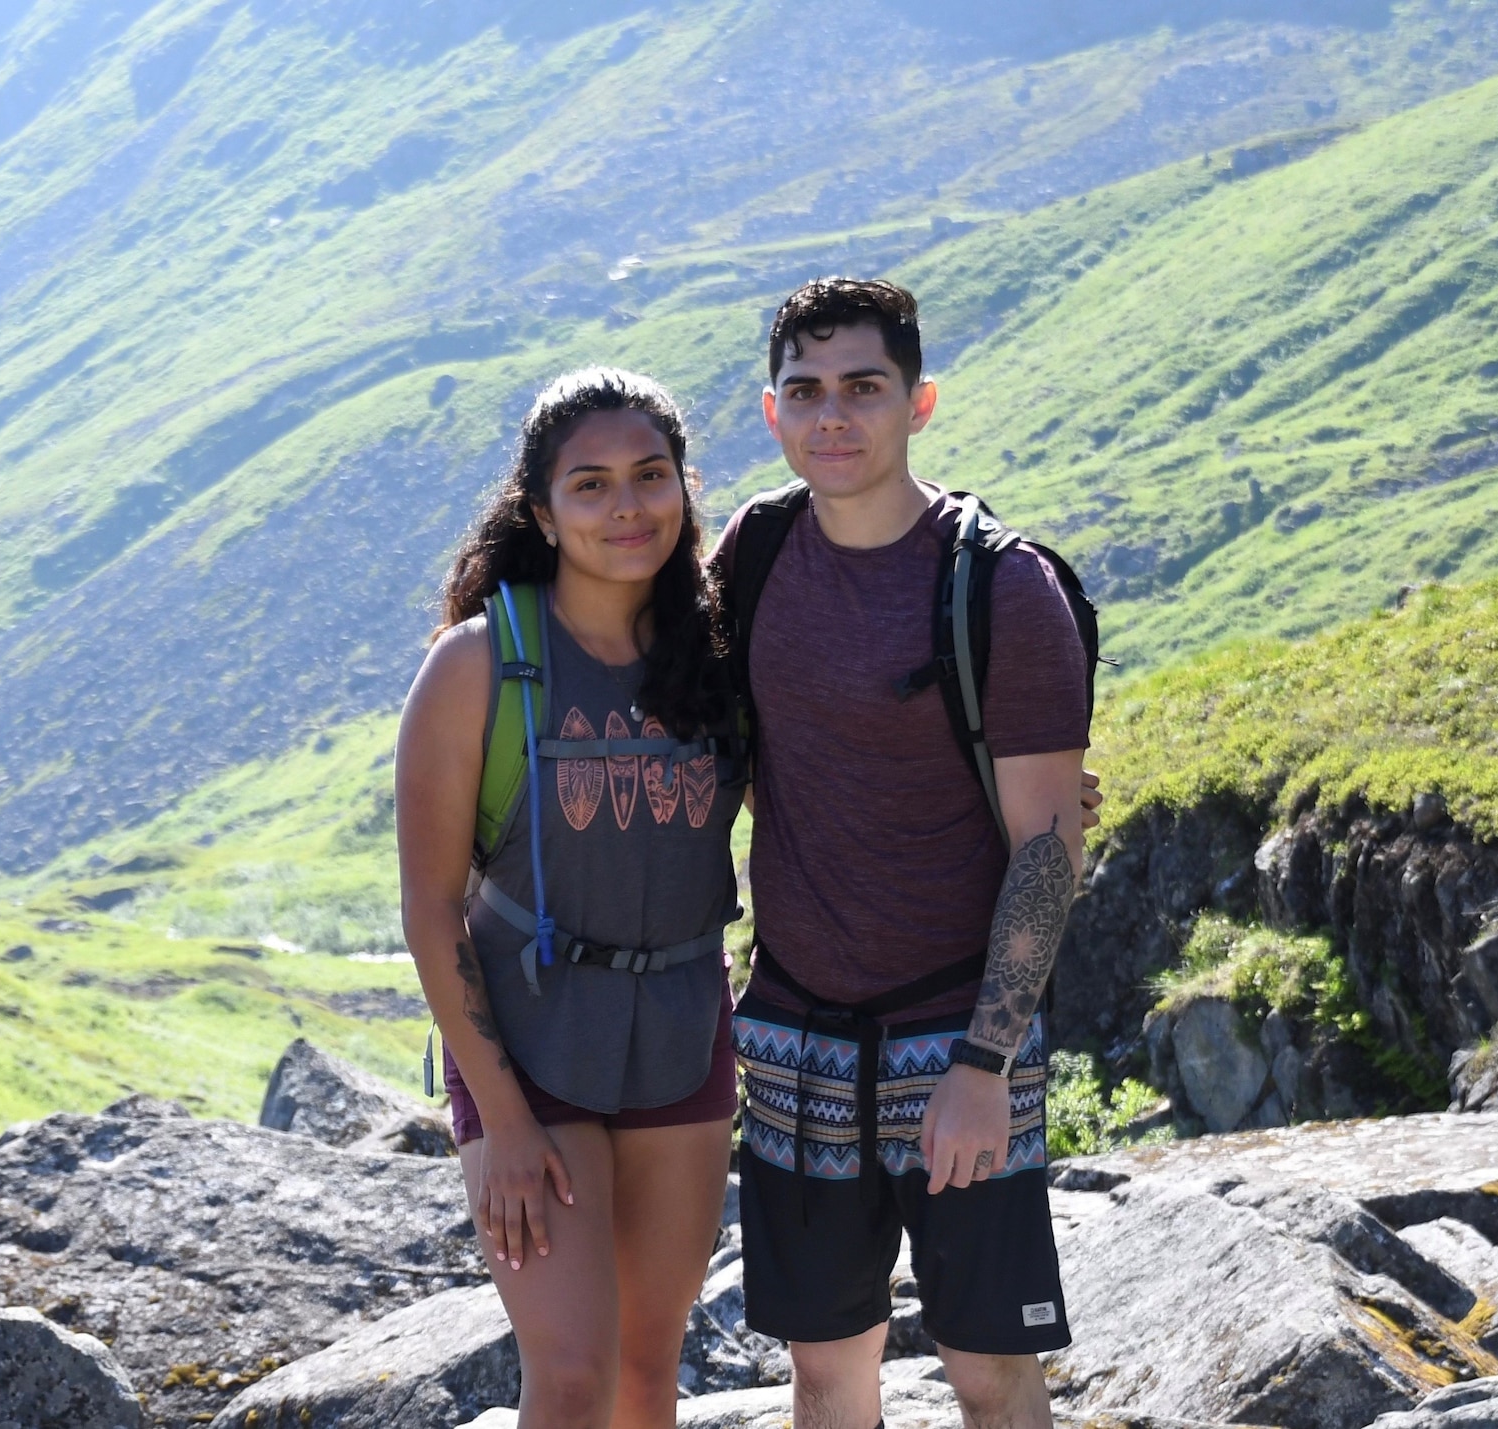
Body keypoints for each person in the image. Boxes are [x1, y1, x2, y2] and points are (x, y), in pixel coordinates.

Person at [714, 277, 1092, 1429]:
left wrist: (984, 1063)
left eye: (862, 388)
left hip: (954, 1034)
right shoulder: (757, 551)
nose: (833, 416)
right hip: (792, 1033)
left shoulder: (1001, 588)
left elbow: (1045, 843)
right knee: (824, 1372)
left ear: (917, 402)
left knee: (988, 1367)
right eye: (805, 391)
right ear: (771, 412)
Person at [395, 369, 748, 1429]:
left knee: (648, 1373)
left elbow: (848, 765)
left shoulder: (722, 652)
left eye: (649, 476)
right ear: (541, 515)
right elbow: (428, 908)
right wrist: (500, 1120)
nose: (626, 506)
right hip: (528, 1045)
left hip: (681, 1032)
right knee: (570, 1375)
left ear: (683, 489)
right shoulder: (478, 666)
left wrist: (1026, 785)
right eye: (588, 486)